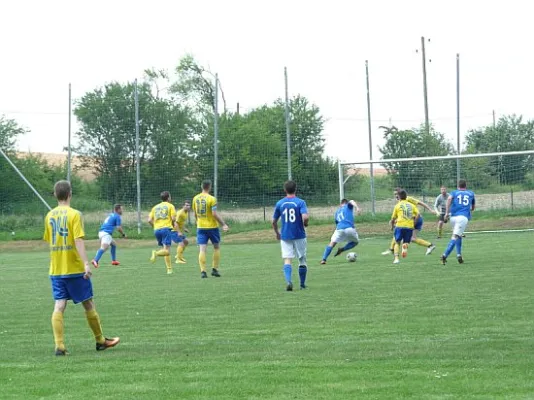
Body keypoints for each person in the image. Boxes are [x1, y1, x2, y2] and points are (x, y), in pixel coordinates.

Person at [43, 180, 120, 356]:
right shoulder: (75, 214)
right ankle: (101, 341)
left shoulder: (49, 216)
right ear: (70, 194)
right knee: (88, 302)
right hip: (74, 268)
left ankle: (60, 346)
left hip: (56, 268)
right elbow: (78, 240)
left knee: (59, 305)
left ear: (55, 195)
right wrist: (86, 263)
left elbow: (49, 240)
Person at [272, 180, 309, 291]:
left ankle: (288, 281)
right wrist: (305, 224)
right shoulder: (300, 202)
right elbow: (305, 217)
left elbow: (273, 222)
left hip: (285, 235)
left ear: (285, 190)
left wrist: (277, 233)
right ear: (295, 189)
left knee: (287, 259)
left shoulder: (280, 203)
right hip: (299, 234)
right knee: (302, 259)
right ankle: (302, 285)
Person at [382, 188, 437, 256]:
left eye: (397, 194)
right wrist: (394, 220)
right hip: (411, 220)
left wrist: (430, 210)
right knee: (410, 238)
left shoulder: (407, 198)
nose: (396, 196)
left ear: (400, 194)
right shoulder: (400, 201)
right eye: (394, 194)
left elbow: (420, 203)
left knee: (400, 232)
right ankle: (430, 245)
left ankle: (391, 250)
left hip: (416, 219)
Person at [192, 180, 229, 279]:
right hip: (212, 227)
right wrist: (223, 224)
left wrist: (197, 221)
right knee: (216, 247)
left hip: (200, 227)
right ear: (210, 187)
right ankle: (214, 269)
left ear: (201, 186)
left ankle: (203, 271)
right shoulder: (212, 199)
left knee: (202, 250)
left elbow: (195, 213)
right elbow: (214, 214)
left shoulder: (195, 198)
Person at [441, 179, 475, 265]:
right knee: (455, 236)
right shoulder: (471, 193)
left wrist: (446, 213)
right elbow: (473, 207)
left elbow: (449, 199)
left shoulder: (454, 192)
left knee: (458, 235)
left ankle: (459, 255)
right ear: (465, 186)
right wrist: (468, 209)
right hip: (462, 217)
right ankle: (445, 255)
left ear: (458, 186)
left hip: (453, 217)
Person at [320, 199, 362, 264]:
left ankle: (323, 259)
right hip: (349, 228)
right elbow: (352, 201)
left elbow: (337, 223)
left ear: (340, 204)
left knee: (332, 243)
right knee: (355, 242)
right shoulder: (348, 206)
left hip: (339, 229)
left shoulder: (337, 212)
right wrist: (357, 208)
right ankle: (342, 249)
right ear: (346, 203)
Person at [148, 191, 181, 275]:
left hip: (157, 230)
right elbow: (173, 219)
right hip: (166, 229)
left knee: (165, 248)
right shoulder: (170, 206)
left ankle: (169, 269)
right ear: (168, 198)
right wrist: (173, 226)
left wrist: (154, 226)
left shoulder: (155, 207)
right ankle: (155, 253)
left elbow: (149, 220)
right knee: (167, 251)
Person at [389, 189, 420, 264]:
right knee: (406, 242)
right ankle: (405, 246)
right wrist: (414, 223)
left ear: (399, 197)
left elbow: (393, 219)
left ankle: (396, 259)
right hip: (409, 226)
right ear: (406, 197)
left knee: (397, 242)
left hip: (399, 225)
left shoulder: (397, 206)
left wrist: (392, 226)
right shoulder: (411, 205)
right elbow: (418, 214)